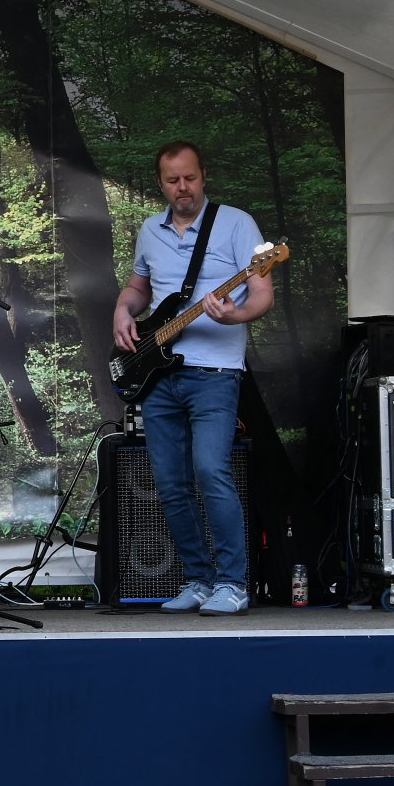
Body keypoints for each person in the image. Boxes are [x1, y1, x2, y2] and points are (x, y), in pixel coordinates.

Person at [111, 141, 272, 616]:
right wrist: (122, 310)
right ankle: (198, 580)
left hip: (216, 374)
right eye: (172, 180)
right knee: (169, 482)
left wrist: (233, 314)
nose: (182, 188)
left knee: (211, 471)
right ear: (160, 183)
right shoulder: (149, 230)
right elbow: (139, 288)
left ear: (204, 176)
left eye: (190, 178)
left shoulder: (237, 224)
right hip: (157, 374)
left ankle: (233, 584)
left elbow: (262, 292)